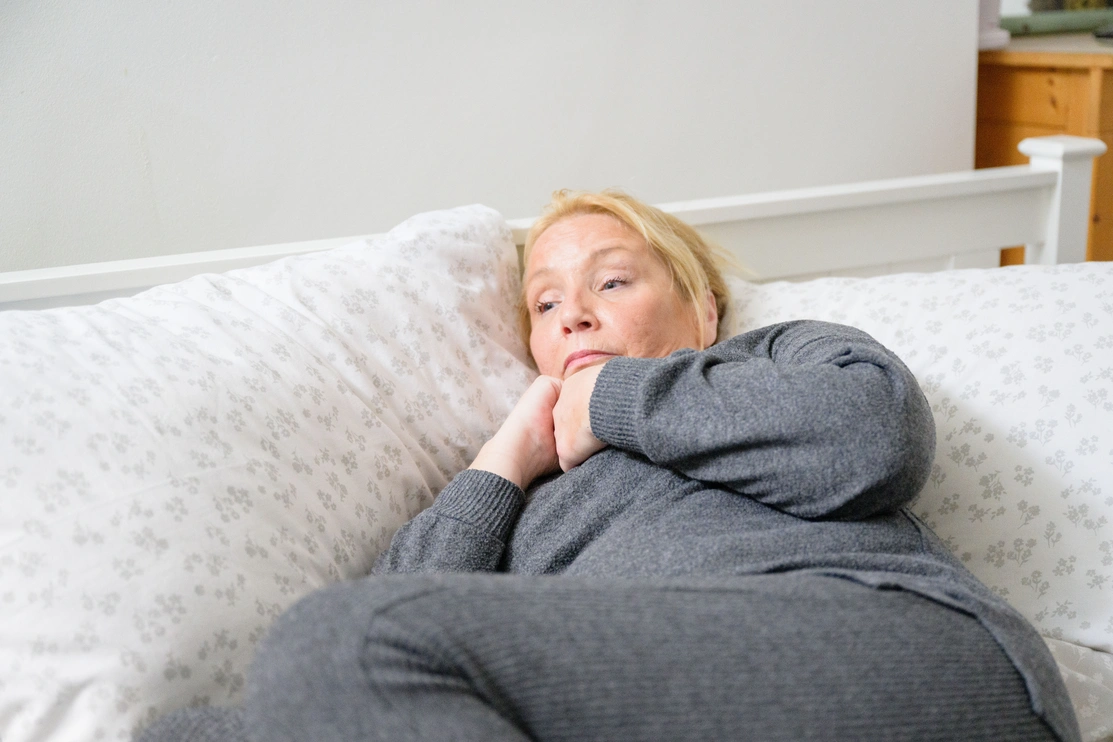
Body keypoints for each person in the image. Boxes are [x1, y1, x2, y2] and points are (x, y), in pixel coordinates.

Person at [139, 190, 1080, 742]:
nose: (573, 316)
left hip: (907, 646)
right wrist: (498, 470)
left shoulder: (770, 358)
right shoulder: (526, 493)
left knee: (337, 637)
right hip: (666, 698)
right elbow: (382, 675)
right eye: (545, 306)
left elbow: (875, 438)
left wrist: (614, 400)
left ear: (704, 308)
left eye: (611, 282)